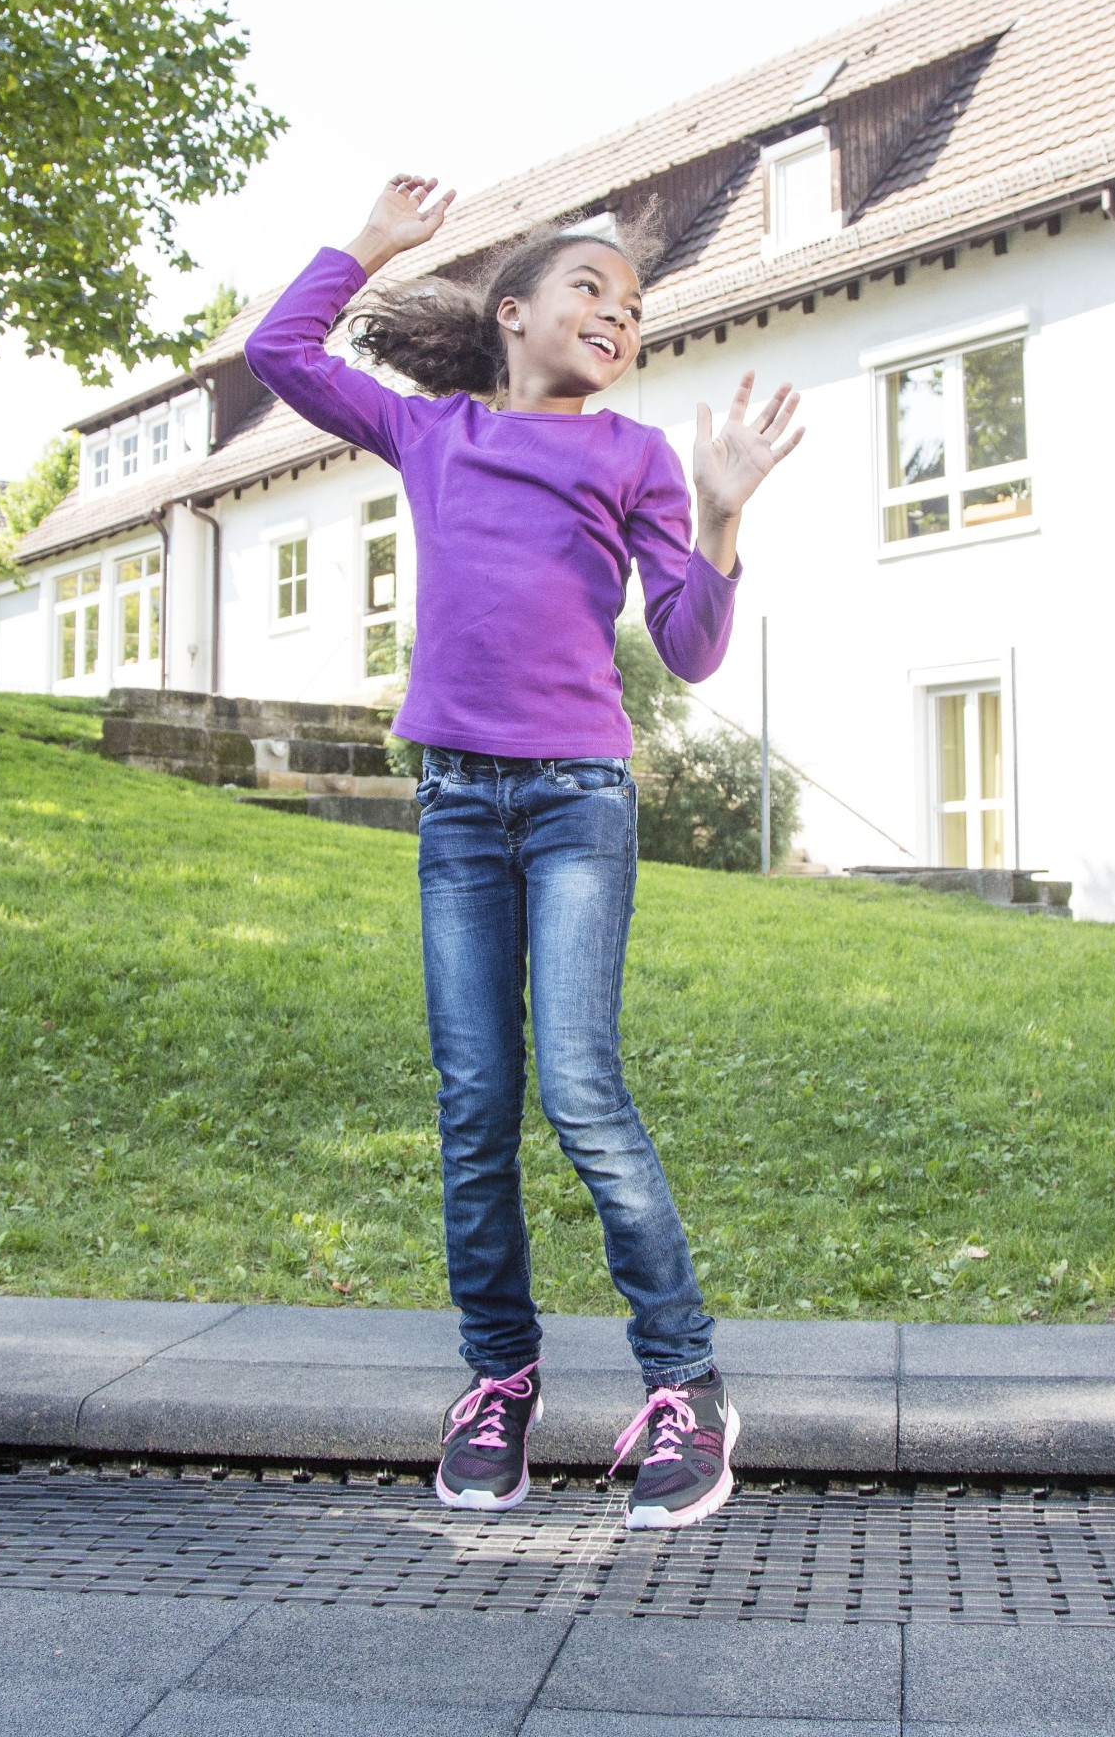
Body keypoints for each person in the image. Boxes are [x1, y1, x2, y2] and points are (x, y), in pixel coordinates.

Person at [242, 175, 803, 1530]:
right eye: (587, 289)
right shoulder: (431, 431)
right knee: (475, 1106)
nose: (617, 314)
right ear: (511, 314)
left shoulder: (636, 456)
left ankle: (686, 1387)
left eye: (633, 306)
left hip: (573, 806)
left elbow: (689, 648)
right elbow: (278, 352)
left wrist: (722, 516)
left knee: (582, 1091)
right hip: (455, 810)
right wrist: (373, 243)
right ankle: (499, 1381)